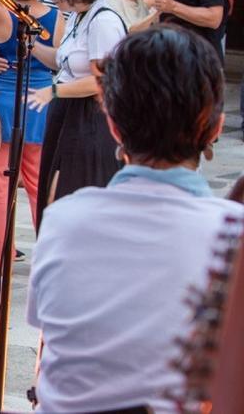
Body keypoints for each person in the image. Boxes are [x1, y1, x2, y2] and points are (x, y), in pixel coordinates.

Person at [27, 25, 242, 414]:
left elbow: (51, 342)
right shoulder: (233, 232)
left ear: (112, 124)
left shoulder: (63, 220)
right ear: (215, 128)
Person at [27, 0, 127, 224]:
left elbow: (103, 80)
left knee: (70, 191)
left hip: (91, 118)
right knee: (53, 189)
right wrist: (31, 46)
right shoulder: (75, 16)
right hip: (68, 111)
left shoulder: (103, 21)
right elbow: (62, 60)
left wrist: (55, 92)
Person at [0, 0, 62, 273]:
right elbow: (57, 60)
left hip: (3, 97)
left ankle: (1, 257)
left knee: (0, 182)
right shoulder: (54, 15)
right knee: (37, 183)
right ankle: (47, 254)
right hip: (39, 98)